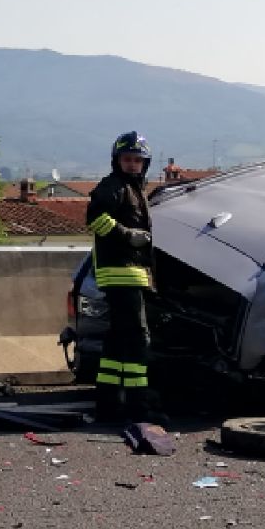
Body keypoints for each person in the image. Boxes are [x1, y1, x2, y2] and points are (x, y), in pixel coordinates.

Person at [86, 131, 156, 421]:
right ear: (117, 161)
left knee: (117, 340)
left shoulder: (135, 188)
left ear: (144, 163)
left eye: (137, 160)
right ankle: (139, 406)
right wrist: (129, 236)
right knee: (138, 339)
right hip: (121, 272)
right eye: (127, 159)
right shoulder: (114, 186)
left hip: (131, 273)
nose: (132, 164)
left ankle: (109, 402)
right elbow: (95, 219)